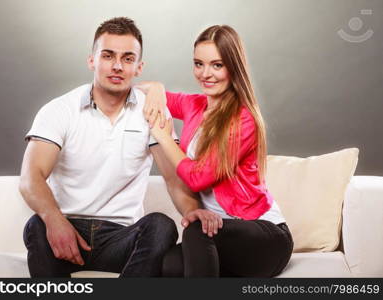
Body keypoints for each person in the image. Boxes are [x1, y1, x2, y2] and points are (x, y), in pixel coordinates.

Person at [19, 17, 182, 277]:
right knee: (36, 225)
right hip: (67, 231)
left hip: (120, 238)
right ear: (92, 60)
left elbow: (174, 179)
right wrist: (54, 220)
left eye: (128, 59)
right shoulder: (59, 110)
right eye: (108, 56)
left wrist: (196, 215)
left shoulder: (151, 110)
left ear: (139, 67)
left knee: (162, 226)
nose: (117, 66)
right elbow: (31, 178)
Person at [141, 25, 294, 277]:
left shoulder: (244, 119)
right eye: (198, 64)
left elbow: (198, 177)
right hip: (219, 233)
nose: (205, 74)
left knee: (197, 230)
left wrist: (164, 137)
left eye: (217, 65)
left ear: (233, 66)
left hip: (265, 236)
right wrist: (156, 87)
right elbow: (140, 93)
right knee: (169, 265)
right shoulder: (195, 105)